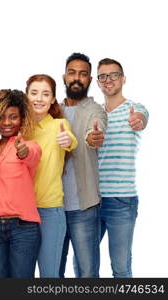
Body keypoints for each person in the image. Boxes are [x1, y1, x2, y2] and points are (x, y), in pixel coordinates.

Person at [0, 89, 42, 278]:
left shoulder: (31, 146)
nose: (6, 122)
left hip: (24, 229)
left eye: (13, 117)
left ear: (22, 119)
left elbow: (31, 154)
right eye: (1, 117)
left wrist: (23, 150)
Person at [96, 58, 148, 277]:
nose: (108, 80)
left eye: (114, 75)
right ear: (98, 82)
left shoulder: (134, 109)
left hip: (122, 200)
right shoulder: (94, 113)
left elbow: (142, 118)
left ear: (123, 79)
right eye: (103, 76)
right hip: (92, 200)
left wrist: (139, 120)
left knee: (120, 266)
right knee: (85, 265)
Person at [58, 53, 108, 278]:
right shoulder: (52, 112)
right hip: (52, 209)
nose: (77, 78)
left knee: (87, 274)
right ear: (64, 77)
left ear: (89, 80)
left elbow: (95, 131)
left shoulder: (95, 110)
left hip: (84, 208)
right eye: (72, 72)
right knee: (52, 273)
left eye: (83, 74)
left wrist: (92, 137)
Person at [25, 74, 78, 277]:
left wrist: (67, 140)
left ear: (53, 99)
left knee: (49, 275)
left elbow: (70, 140)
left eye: (46, 94)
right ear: (26, 95)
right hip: (22, 213)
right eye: (34, 93)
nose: (39, 99)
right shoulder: (19, 128)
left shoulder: (59, 125)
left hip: (50, 212)